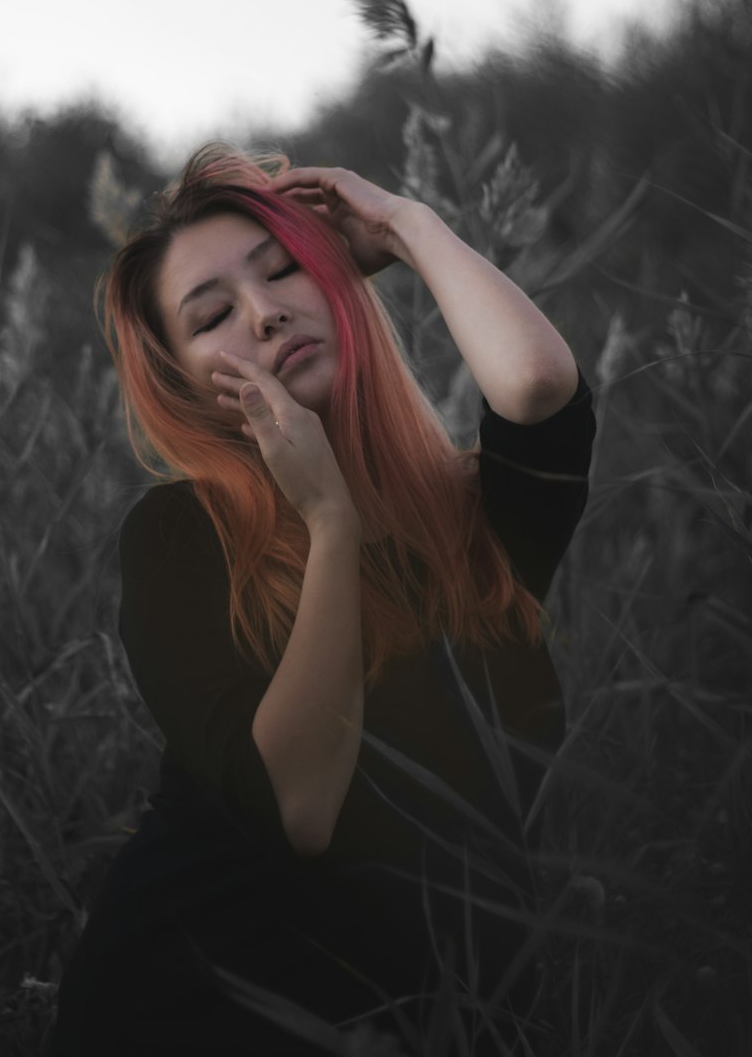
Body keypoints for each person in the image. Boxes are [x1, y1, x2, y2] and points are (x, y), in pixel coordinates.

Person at [49, 143, 597, 1056]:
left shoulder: (471, 520)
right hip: (202, 1012)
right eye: (214, 314)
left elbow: (538, 385)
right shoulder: (181, 539)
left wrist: (405, 227)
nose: (264, 315)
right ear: (187, 382)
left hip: (451, 1021)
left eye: (284, 270)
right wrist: (329, 524)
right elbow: (299, 806)